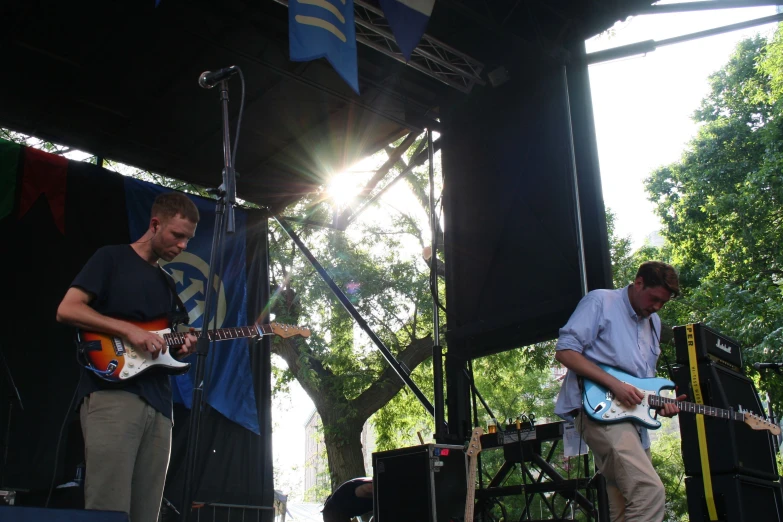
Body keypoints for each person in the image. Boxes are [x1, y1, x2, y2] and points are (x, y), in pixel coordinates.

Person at [56, 192, 200, 522]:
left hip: (161, 405)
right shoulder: (112, 258)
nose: (182, 246)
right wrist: (127, 330)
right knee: (109, 508)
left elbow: (166, 340)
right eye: (177, 235)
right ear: (155, 224)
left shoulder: (168, 282)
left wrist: (183, 345)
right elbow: (67, 309)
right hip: (113, 393)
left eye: (188, 240)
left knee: (145, 514)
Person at [554, 261, 684, 522]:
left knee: (623, 507)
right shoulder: (600, 302)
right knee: (649, 492)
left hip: (633, 422)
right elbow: (565, 351)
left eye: (663, 303)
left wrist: (660, 404)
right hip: (598, 412)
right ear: (638, 283)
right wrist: (614, 384)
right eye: (654, 298)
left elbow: (642, 382)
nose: (657, 307)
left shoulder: (654, 323)